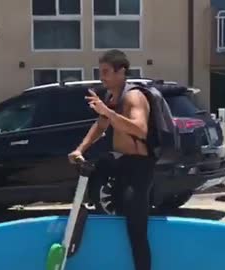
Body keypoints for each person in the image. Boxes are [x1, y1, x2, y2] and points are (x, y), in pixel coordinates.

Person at [68, 49, 155, 270]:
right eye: (101, 71)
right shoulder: (111, 98)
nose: (102, 77)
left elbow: (140, 129)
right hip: (121, 161)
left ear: (121, 71)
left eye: (106, 72)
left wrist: (108, 111)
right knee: (93, 168)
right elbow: (101, 126)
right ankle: (84, 213)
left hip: (139, 168)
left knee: (136, 229)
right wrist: (80, 150)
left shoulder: (134, 96)